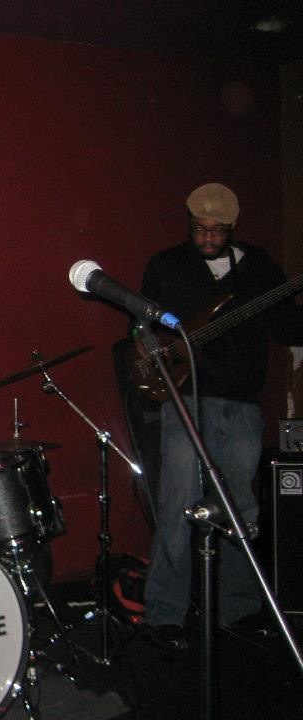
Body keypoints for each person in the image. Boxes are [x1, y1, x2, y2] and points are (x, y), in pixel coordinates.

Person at [139, 182, 303, 648]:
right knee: (178, 505)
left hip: (242, 404)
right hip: (186, 400)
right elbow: (142, 327)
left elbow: (287, 327)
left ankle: (240, 609)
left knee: (240, 510)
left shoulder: (258, 269)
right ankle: (164, 615)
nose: (207, 238)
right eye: (199, 229)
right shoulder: (167, 265)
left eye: (217, 231)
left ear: (233, 228)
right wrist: (153, 352)